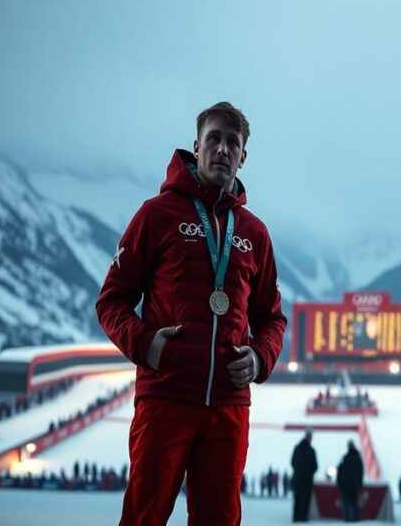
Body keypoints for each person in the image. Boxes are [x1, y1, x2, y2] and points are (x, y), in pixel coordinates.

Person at [95, 102, 286, 525]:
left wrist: (259, 358)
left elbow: (272, 319)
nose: (222, 149)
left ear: (243, 156)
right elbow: (111, 300)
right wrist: (145, 344)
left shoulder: (254, 233)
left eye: (232, 142)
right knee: (144, 516)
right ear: (196, 147)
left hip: (228, 406)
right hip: (166, 397)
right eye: (213, 138)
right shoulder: (156, 215)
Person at [291, 429, 318, 522]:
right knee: (306, 500)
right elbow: (315, 466)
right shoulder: (311, 450)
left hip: (298, 479)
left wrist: (298, 471)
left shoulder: (297, 448)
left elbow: (292, 462)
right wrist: (309, 473)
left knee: (297, 500)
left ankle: (296, 518)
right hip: (308, 480)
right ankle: (304, 519)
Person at [336, 440, 364, 522]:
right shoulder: (358, 458)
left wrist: (339, 482)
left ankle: (348, 521)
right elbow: (361, 472)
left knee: (347, 506)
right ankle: (355, 521)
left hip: (346, 486)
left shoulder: (345, 458)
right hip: (354, 485)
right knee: (355, 506)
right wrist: (359, 484)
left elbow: (339, 471)